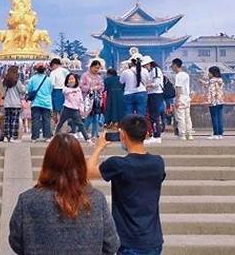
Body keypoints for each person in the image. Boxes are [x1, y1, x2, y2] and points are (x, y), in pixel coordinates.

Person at [9, 133, 120, 255]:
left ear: (48, 162)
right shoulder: (97, 199)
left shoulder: (27, 200)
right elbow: (111, 244)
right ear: (80, 163)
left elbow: (16, 241)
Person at [87, 115, 166, 255]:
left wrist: (99, 148)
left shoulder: (118, 164)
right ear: (146, 134)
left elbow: (87, 172)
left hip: (128, 239)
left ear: (123, 135)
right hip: (153, 239)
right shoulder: (158, 163)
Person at [55, 73, 92, 144]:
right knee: (60, 123)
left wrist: (81, 109)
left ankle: (87, 139)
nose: (71, 80)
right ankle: (54, 136)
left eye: (72, 79)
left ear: (75, 80)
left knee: (80, 124)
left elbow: (80, 100)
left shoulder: (78, 89)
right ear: (67, 80)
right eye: (69, 79)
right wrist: (73, 90)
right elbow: (65, 92)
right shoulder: (66, 88)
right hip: (66, 109)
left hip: (75, 110)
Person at [0, 65, 26, 143]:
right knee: (14, 120)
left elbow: (1, 91)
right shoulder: (17, 81)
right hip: (15, 103)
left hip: (7, 104)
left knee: (7, 120)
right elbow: (22, 91)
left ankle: (7, 136)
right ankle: (13, 137)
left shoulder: (4, 81)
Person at [27, 62, 53, 142]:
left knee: (35, 120)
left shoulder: (32, 79)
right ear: (45, 70)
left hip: (36, 102)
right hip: (46, 102)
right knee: (47, 119)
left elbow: (29, 90)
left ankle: (34, 137)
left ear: (36, 70)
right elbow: (50, 90)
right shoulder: (48, 79)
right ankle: (47, 136)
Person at [142, 56, 164, 144]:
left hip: (156, 93)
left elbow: (157, 83)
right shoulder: (150, 71)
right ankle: (154, 134)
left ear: (149, 63)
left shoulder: (155, 70)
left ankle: (157, 135)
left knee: (154, 115)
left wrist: (146, 85)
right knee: (152, 115)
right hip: (151, 94)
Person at [171, 58, 194, 140]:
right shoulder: (186, 74)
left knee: (180, 117)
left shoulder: (178, 75)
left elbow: (178, 88)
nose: (171, 67)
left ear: (175, 65)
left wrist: (177, 100)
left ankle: (182, 134)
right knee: (187, 116)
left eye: (172, 65)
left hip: (180, 97)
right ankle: (189, 134)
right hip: (187, 97)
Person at [199, 66, 225, 140]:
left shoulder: (212, 81)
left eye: (209, 72)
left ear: (212, 73)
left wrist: (209, 101)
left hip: (213, 102)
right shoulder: (220, 80)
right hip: (220, 101)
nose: (208, 74)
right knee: (219, 117)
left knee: (214, 118)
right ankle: (220, 134)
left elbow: (211, 92)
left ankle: (215, 133)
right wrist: (203, 82)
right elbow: (208, 84)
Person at [81, 59, 104, 138]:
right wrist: (89, 88)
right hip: (87, 98)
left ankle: (94, 134)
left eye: (98, 68)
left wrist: (96, 88)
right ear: (91, 67)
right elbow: (81, 86)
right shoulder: (85, 75)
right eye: (95, 67)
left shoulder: (99, 77)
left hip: (96, 98)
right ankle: (84, 131)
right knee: (89, 115)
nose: (96, 69)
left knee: (96, 116)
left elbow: (102, 86)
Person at [49, 58, 69, 124]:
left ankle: (57, 127)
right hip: (67, 91)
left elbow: (52, 84)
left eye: (51, 66)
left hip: (56, 92)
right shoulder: (66, 71)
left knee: (56, 111)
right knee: (64, 110)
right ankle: (65, 126)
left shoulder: (53, 72)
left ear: (54, 65)